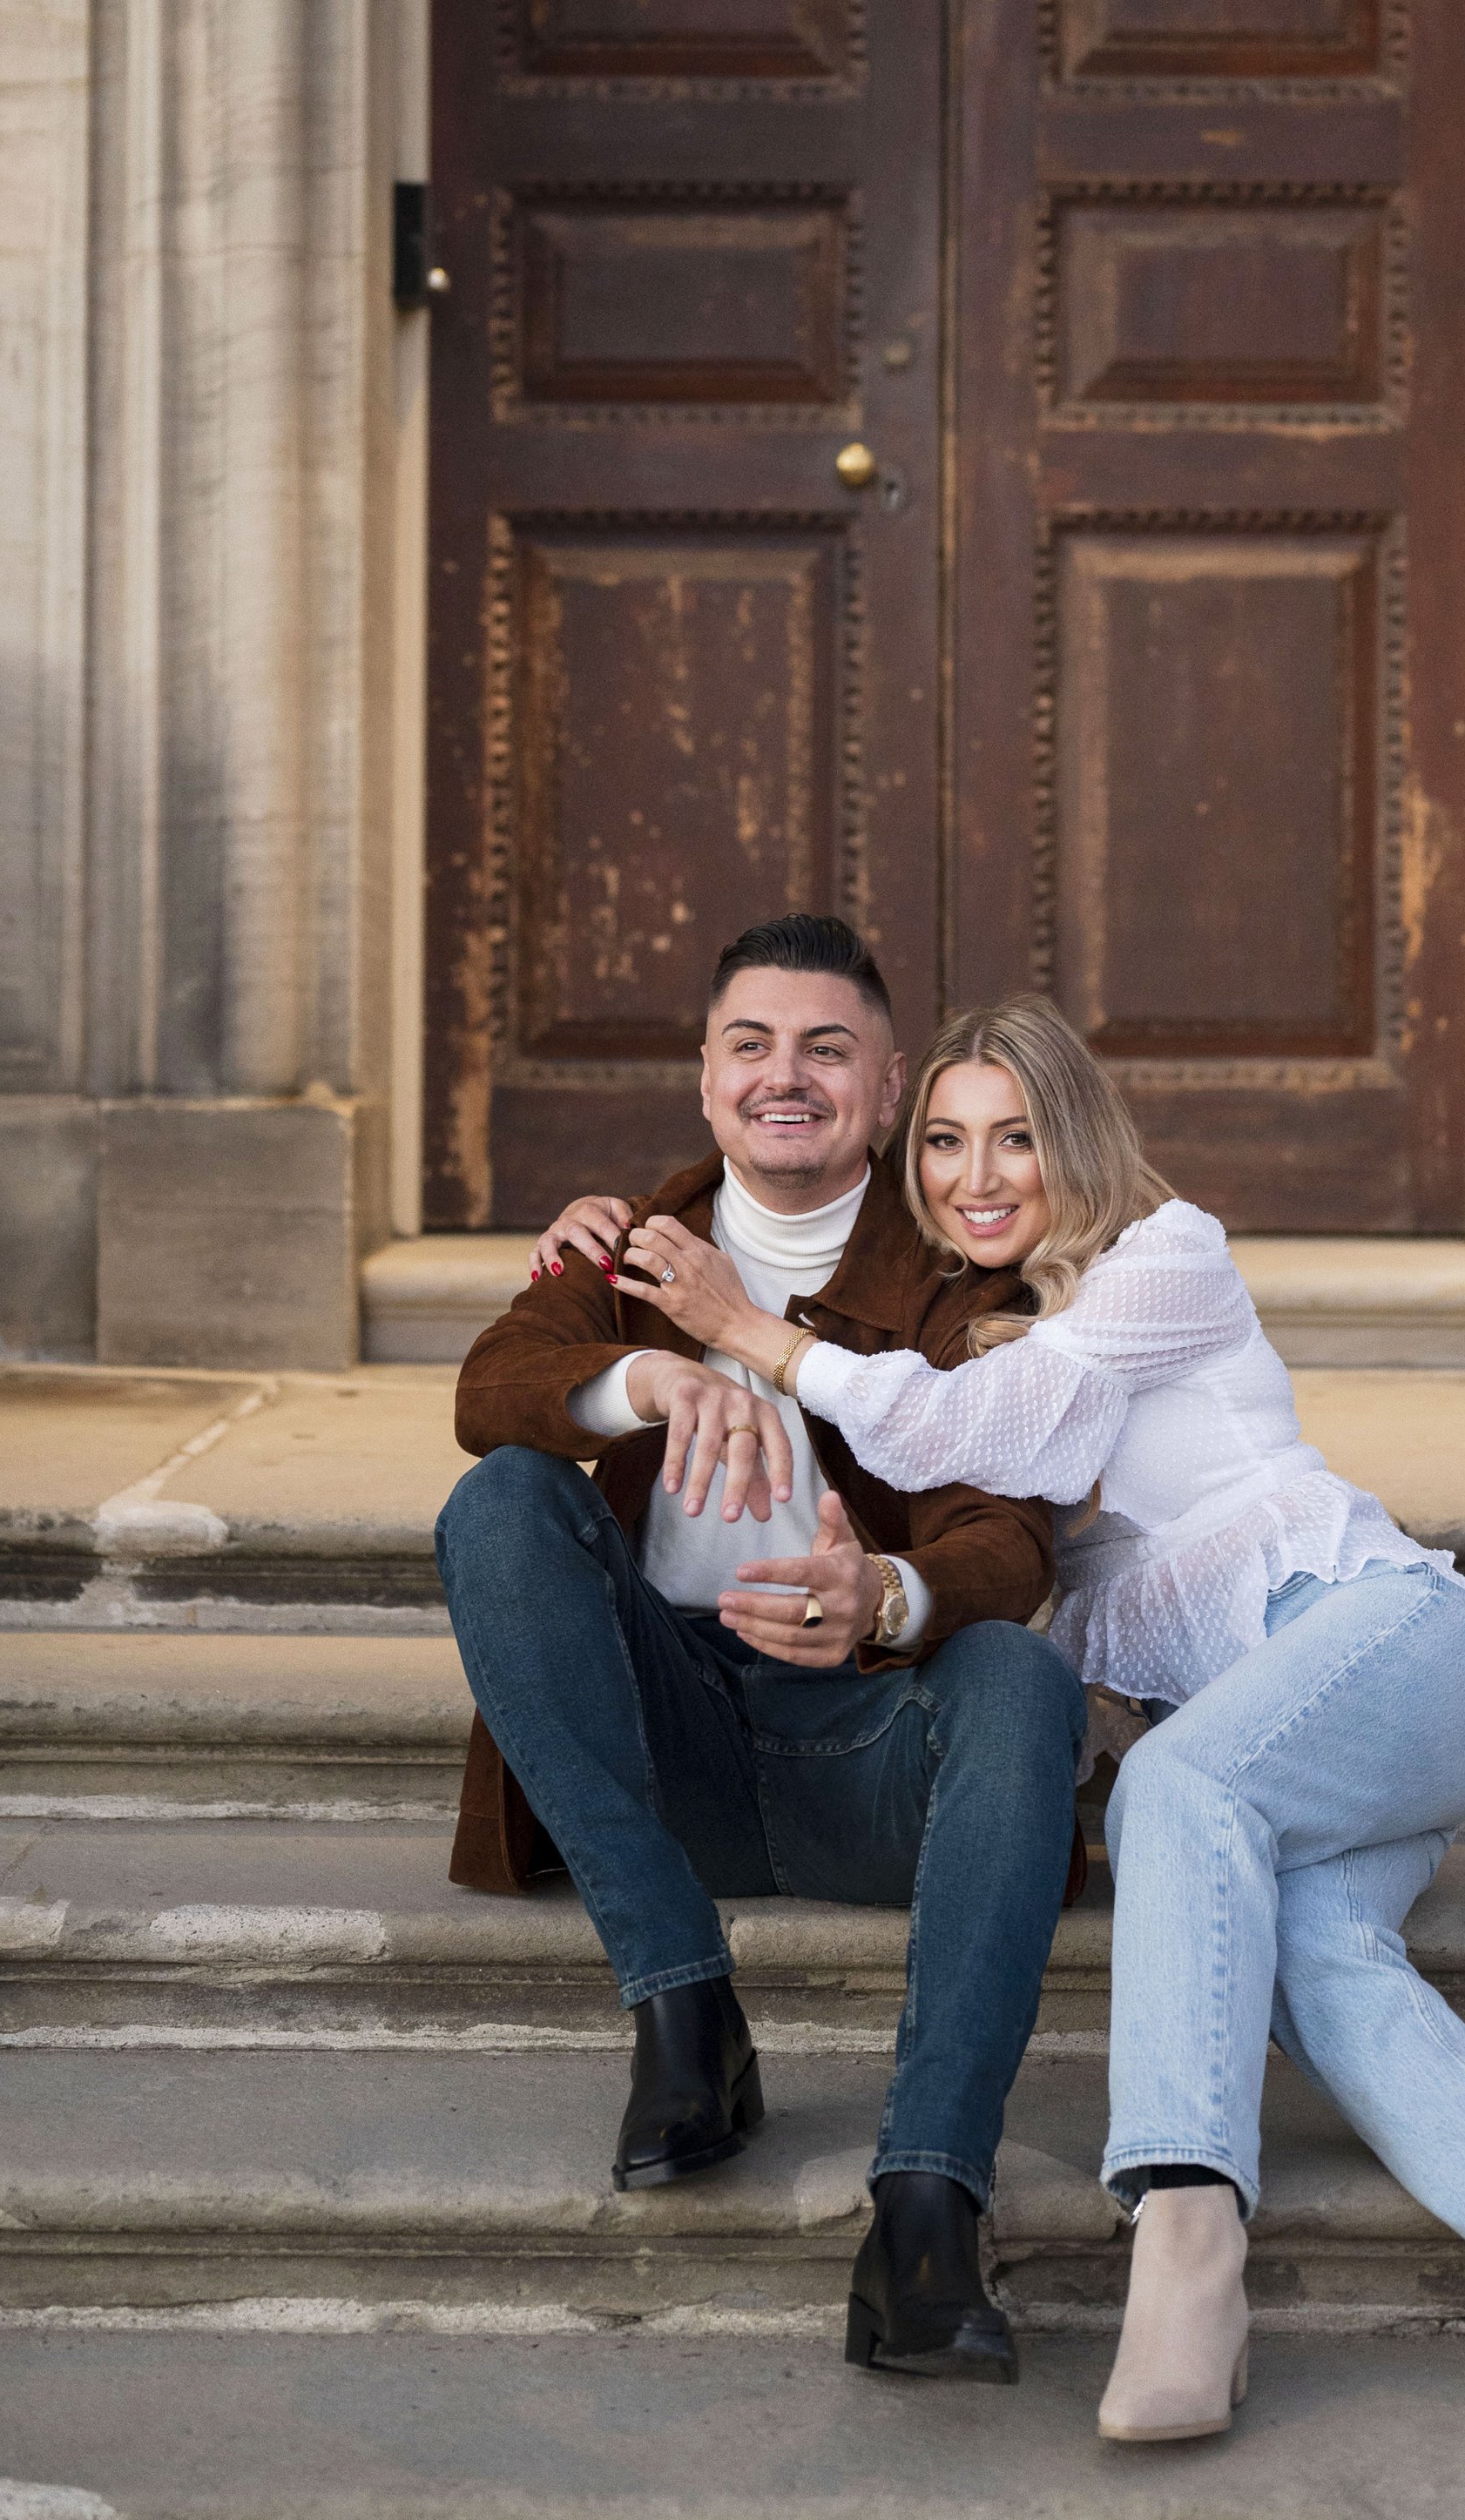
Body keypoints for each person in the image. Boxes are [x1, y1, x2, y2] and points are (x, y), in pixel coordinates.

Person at [566, 992, 1465, 2456]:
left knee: (1172, 1794)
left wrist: (747, 1329)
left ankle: (1188, 2249)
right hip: (1283, 1772)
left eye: (1015, 1136)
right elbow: (907, 1367)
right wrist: (629, 1229)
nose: (974, 1174)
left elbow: (982, 1427)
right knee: (1318, 1961)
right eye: (940, 1141)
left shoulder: (1164, 1257)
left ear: (1077, 1139)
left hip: (1382, 1645)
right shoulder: (976, 1346)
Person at [435, 918, 1087, 2389]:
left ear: (889, 1083)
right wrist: (641, 1371)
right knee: (503, 1497)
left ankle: (926, 2212)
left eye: (827, 1047)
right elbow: (491, 1383)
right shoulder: (626, 1246)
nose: (785, 1076)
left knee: (1019, 1673)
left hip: (875, 1758)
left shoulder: (964, 1273)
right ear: (707, 1073)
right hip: (664, 1752)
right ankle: (685, 2006)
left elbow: (1015, 1532)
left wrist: (893, 1598)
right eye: (753, 1043)